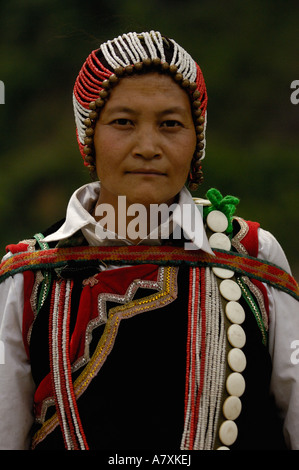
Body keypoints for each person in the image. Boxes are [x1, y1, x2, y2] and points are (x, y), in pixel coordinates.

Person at [0, 30, 298, 451]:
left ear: (197, 143)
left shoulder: (252, 258)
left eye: (170, 124)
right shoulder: (29, 280)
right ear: (89, 138)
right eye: (123, 122)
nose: (148, 146)